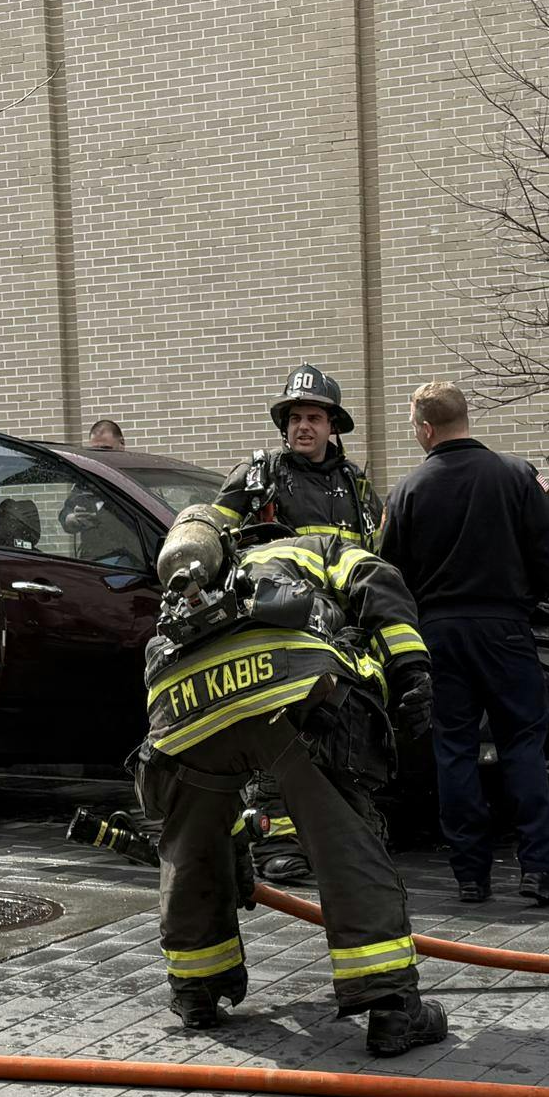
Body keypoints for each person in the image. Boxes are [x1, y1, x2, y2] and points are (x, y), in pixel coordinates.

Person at [132, 505, 444, 1056]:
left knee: (193, 845)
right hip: (293, 691)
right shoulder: (314, 548)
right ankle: (392, 1006)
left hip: (182, 710)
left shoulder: (195, 590)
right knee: (343, 838)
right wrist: (409, 667)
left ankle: (197, 990)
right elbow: (376, 580)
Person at [379, 381, 549, 906]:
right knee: (523, 746)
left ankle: (470, 877)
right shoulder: (517, 476)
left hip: (438, 635)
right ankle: (539, 871)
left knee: (454, 750)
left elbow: (388, 575)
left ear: (426, 429)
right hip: (506, 631)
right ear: (465, 419)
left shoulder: (407, 491)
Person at [212, 363, 386, 883]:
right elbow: (211, 541)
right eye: (294, 418)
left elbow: (375, 559)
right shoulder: (258, 476)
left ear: (332, 426)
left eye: (313, 417)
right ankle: (277, 840)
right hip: (278, 624)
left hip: (343, 629)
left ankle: (344, 834)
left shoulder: (356, 487)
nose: (303, 427)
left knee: (345, 729)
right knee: (280, 728)